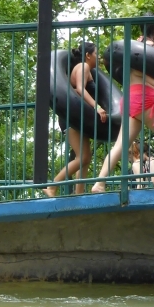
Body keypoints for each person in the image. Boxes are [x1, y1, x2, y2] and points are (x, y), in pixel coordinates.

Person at [91, 18, 154, 192]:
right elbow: (140, 72)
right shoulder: (150, 46)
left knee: (120, 144)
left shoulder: (135, 44)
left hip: (130, 99)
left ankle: (99, 183)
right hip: (145, 98)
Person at [44, 42, 109, 197]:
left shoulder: (87, 70)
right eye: (95, 53)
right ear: (87, 55)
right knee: (83, 157)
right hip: (72, 118)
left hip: (80, 117)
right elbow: (79, 89)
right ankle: (52, 186)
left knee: (85, 157)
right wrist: (97, 107)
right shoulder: (83, 67)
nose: (98, 56)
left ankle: (79, 194)